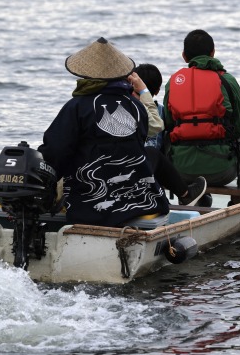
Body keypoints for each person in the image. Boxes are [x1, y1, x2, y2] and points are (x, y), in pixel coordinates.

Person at [39, 36, 173, 228]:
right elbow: (145, 136)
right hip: (141, 200)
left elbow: (54, 151)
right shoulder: (136, 106)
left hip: (88, 203)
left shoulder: (76, 106)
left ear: (86, 75)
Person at [163, 30, 240, 192]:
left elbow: (169, 125)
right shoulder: (227, 81)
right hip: (222, 172)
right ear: (213, 53)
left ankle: (190, 195)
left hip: (180, 172)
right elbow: (238, 128)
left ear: (184, 56)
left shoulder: (173, 83)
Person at [129, 64, 207, 207]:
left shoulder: (123, 106)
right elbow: (158, 127)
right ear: (158, 90)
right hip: (152, 169)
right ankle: (186, 195)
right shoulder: (161, 111)